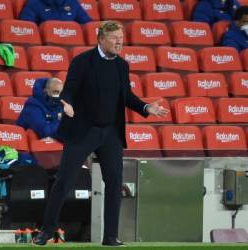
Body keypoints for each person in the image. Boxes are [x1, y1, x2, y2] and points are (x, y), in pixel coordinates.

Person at [32, 21, 169, 246]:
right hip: (83, 130)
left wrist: (146, 108)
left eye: (121, 38)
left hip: (111, 132)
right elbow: (70, 89)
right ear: (101, 39)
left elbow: (127, 96)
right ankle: (46, 231)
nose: (119, 42)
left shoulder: (122, 66)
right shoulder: (82, 61)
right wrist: (66, 103)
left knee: (115, 183)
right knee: (64, 181)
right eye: (115, 38)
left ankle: (110, 236)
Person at [19, 0, 92, 25]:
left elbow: (88, 25)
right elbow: (27, 27)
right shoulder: (35, 3)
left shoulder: (73, 2)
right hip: (45, 51)